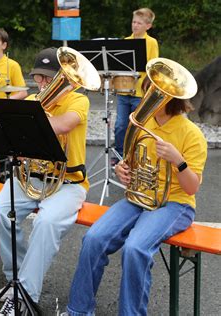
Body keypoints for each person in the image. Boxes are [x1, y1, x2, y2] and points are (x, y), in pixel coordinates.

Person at [66, 95, 207, 315]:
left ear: (173, 98)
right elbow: (130, 163)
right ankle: (78, 310)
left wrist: (178, 161)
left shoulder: (191, 133)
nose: (150, 96)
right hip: (139, 198)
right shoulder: (142, 124)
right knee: (93, 239)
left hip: (175, 204)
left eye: (158, 93)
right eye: (150, 90)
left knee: (135, 248)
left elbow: (191, 188)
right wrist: (122, 170)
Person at [0, 47, 90, 315]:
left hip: (68, 183)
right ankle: (18, 278)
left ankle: (25, 294)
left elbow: (63, 125)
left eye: (51, 78)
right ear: (35, 78)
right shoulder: (33, 100)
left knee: (46, 222)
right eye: (41, 78)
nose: (45, 83)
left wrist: (35, 116)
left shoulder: (77, 100)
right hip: (30, 178)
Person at [113, 7, 159, 165]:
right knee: (120, 125)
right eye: (133, 22)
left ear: (148, 26)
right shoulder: (126, 41)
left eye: (139, 23)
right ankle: (119, 155)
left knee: (137, 126)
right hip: (123, 90)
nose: (135, 25)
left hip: (140, 92)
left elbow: (153, 66)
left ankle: (134, 156)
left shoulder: (151, 42)